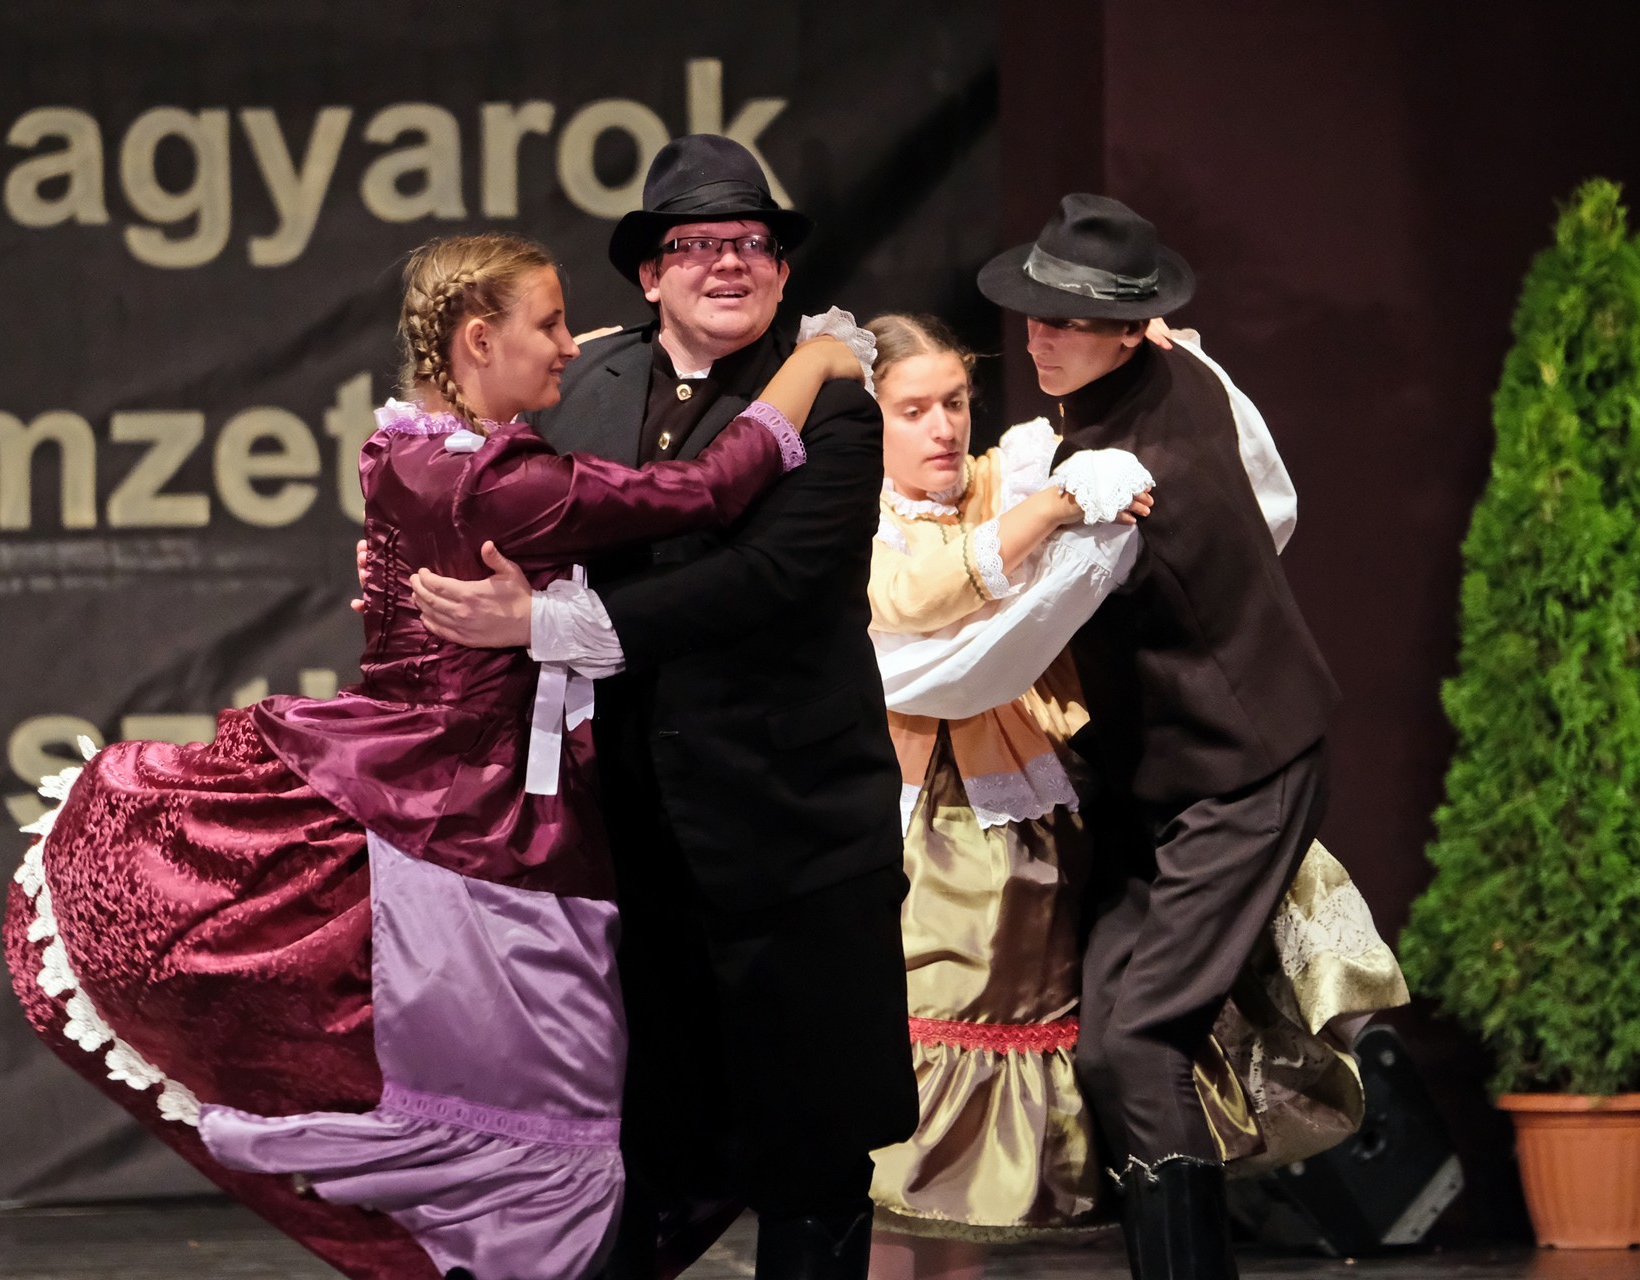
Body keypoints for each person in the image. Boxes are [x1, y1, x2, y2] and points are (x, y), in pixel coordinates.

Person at [2, 230, 863, 1280]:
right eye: (550, 324)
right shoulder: (499, 482)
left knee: (553, 1090)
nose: (569, 344)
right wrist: (815, 362)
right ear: (477, 340)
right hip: (473, 811)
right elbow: (706, 492)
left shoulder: (407, 446)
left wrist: (593, 346)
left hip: (429, 768)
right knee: (546, 1092)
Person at [406, 135, 919, 1280]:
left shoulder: (834, 396)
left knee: (813, 1154)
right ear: (650, 272)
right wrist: (416, 577)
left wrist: (544, 622)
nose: (728, 261)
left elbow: (766, 580)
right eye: (696, 243)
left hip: (793, 833)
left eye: (752, 242)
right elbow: (492, 507)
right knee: (641, 1152)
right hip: (629, 840)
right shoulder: (579, 386)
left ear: (782, 269)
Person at [860, 312, 1408, 1280]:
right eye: (913, 410)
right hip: (927, 836)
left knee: (1062, 1081)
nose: (943, 426)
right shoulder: (868, 521)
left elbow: (1258, 498)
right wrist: (1055, 512)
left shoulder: (1008, 472)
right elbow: (938, 625)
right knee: (923, 1111)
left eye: (955, 401)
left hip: (1058, 825)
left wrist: (1178, 367)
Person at [973, 193, 1354, 1280]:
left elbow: (998, 654)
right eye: (1036, 312)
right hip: (1173, 769)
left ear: (1131, 330)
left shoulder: (1118, 495)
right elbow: (1276, 503)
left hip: (1245, 770)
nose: (1039, 336)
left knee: (1139, 1044)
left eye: (1069, 321)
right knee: (1108, 1044)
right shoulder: (1189, 367)